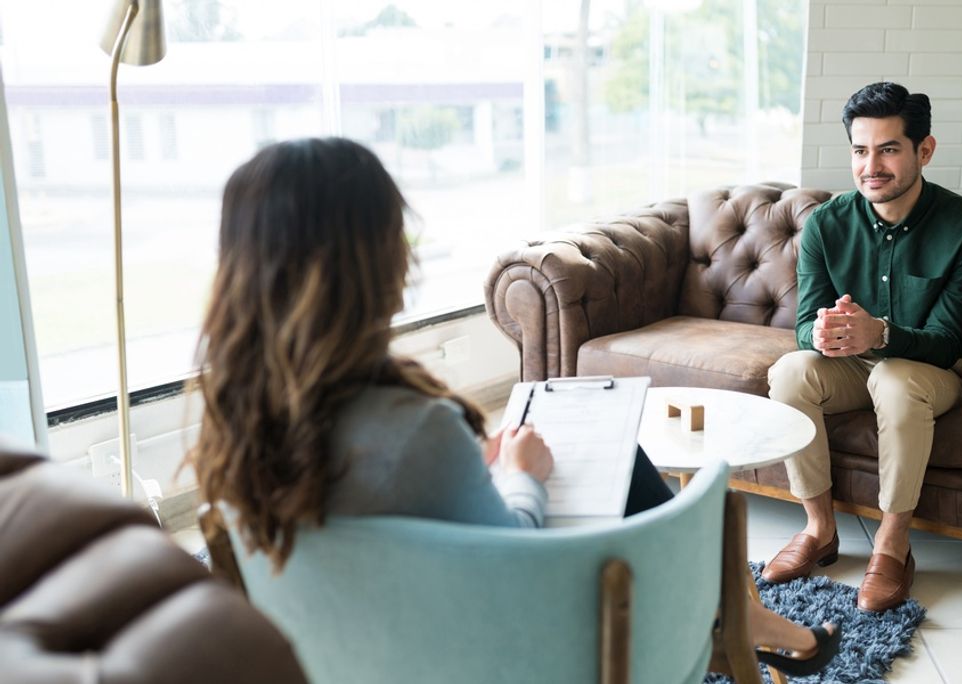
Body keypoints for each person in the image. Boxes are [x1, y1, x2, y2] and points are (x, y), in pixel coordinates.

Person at [187, 137, 838, 673]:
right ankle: (740, 619)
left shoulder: (233, 418)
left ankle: (748, 620)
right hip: (512, 651)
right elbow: (516, 560)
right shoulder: (416, 429)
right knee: (630, 472)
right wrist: (521, 476)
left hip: (353, 654)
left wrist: (471, 473)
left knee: (613, 451)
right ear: (375, 260)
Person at [762, 82, 962, 612]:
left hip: (932, 372)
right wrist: (823, 332)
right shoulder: (826, 223)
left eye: (888, 149)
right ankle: (819, 528)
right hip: (851, 366)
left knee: (893, 377)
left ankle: (893, 545)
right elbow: (804, 327)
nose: (872, 167)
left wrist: (881, 334)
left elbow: (947, 342)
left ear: (924, 150)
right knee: (791, 371)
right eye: (860, 151)